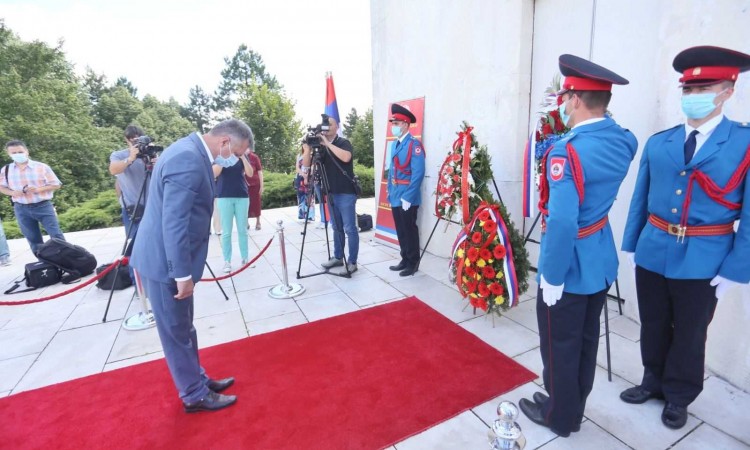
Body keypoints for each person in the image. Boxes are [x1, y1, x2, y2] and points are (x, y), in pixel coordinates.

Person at [620, 46, 750, 430]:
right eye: (688, 90)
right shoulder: (660, 141)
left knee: (691, 332)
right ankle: (652, 380)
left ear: (728, 90)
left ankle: (678, 395)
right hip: (654, 248)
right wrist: (631, 243)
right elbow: (640, 197)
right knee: (654, 322)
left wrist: (736, 269)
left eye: (704, 88)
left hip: (706, 257)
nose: (693, 98)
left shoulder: (743, 144)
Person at [518, 54, 638, 437]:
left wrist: (551, 276)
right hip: (599, 257)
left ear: (574, 99)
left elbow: (564, 221)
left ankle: (559, 415)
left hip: (568, 266)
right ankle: (573, 407)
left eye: (566, 96)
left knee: (559, 345)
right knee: (586, 341)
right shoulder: (624, 141)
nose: (563, 104)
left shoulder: (564, 152)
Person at [130, 119, 254, 413]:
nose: (235, 159)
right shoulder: (188, 157)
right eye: (236, 152)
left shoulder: (189, 150)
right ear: (224, 142)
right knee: (175, 331)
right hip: (164, 264)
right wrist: (181, 274)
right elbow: (174, 221)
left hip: (169, 259)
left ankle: (197, 379)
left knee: (185, 328)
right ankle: (193, 395)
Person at [301, 115, 359, 275]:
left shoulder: (343, 143)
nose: (326, 127)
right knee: (336, 227)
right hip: (330, 193)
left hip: (346, 192)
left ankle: (352, 261)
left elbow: (346, 157)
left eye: (329, 124)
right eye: (324, 124)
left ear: (336, 127)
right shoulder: (320, 147)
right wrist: (307, 150)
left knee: (349, 228)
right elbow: (307, 164)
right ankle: (338, 256)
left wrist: (326, 143)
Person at [0, 140, 65, 253]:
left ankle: (67, 259)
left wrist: (38, 189)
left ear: (27, 152)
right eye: (14, 153)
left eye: (20, 151)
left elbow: (56, 184)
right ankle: (44, 264)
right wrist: (12, 193)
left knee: (56, 235)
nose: (17, 155)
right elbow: (2, 187)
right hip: (21, 207)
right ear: (9, 154)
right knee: (33, 239)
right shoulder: (6, 170)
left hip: (43, 205)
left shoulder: (41, 167)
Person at [386, 103, 426, 277]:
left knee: (409, 229)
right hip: (395, 193)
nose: (393, 126)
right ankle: (404, 258)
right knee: (400, 229)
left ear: (405, 124)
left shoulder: (414, 145)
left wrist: (408, 197)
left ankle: (413, 262)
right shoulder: (395, 144)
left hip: (407, 196)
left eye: (396, 123)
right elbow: (392, 170)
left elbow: (418, 173)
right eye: (392, 123)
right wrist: (389, 189)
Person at [109, 125, 149, 285]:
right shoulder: (119, 155)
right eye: (133, 141)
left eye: (139, 140)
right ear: (127, 140)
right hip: (133, 209)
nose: (136, 144)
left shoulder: (149, 155)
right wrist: (131, 158)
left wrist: (154, 160)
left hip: (153, 206)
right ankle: (138, 285)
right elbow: (113, 170)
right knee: (135, 247)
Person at [213, 143, 254, 273]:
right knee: (226, 232)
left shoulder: (241, 156)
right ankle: (227, 261)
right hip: (224, 196)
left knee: (242, 230)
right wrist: (224, 158)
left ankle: (245, 258)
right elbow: (215, 173)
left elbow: (250, 173)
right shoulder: (219, 157)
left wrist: (242, 158)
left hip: (242, 195)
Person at [244, 147, 264, 231]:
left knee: (256, 204)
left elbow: (259, 172)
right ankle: (246, 223)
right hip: (244, 185)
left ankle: (258, 222)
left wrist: (262, 186)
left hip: (255, 184)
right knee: (245, 205)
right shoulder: (240, 157)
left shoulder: (254, 157)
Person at [295, 144, 315, 222]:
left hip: (309, 176)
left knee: (309, 196)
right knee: (301, 196)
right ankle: (302, 215)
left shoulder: (311, 155)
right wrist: (302, 174)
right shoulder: (299, 155)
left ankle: (309, 216)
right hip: (300, 178)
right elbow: (297, 168)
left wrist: (307, 176)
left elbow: (312, 167)